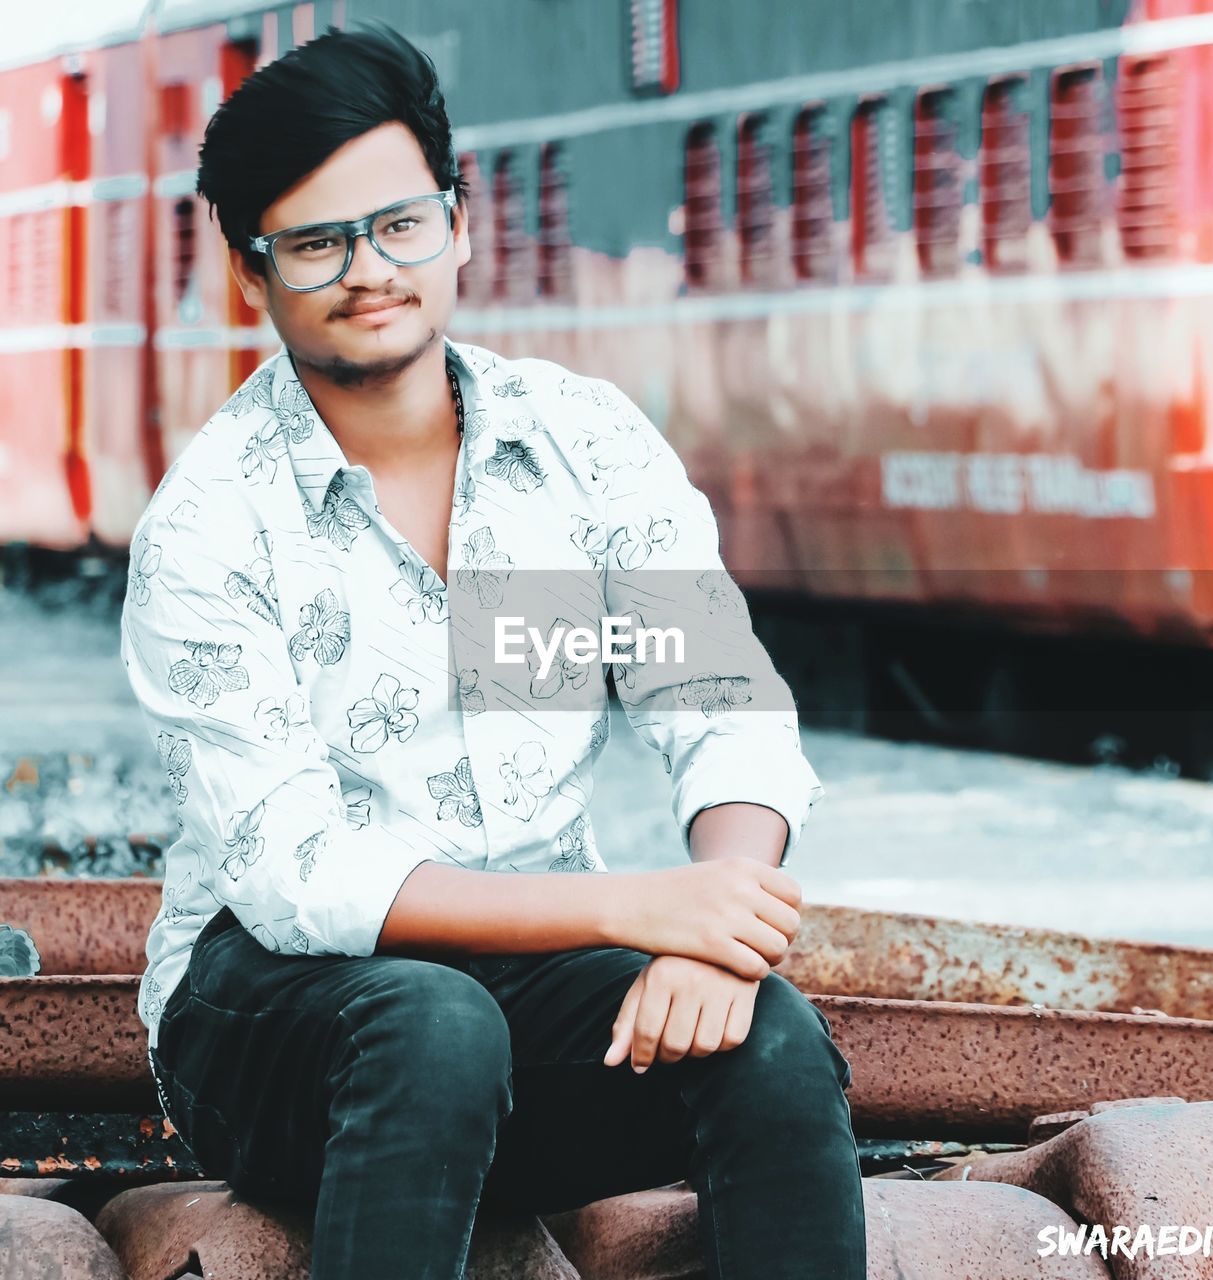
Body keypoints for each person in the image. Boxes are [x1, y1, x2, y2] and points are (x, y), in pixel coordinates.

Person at [120, 24, 866, 1280]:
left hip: (530, 1005)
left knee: (769, 1035)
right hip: (273, 1018)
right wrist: (636, 906)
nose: (370, 269)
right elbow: (309, 876)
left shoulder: (581, 446)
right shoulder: (207, 523)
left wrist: (713, 924)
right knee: (431, 1020)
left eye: (400, 224)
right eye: (316, 242)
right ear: (254, 275)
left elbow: (721, 701)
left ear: (458, 223)